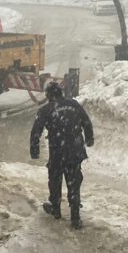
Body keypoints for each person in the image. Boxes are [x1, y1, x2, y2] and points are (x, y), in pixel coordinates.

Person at [30, 81, 94, 229]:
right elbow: (86, 121)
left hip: (58, 151)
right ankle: (75, 216)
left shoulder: (45, 110)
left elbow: (36, 131)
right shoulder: (74, 104)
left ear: (48, 95)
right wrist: (89, 138)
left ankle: (55, 207)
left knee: (55, 179)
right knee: (74, 181)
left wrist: (35, 150)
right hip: (75, 150)